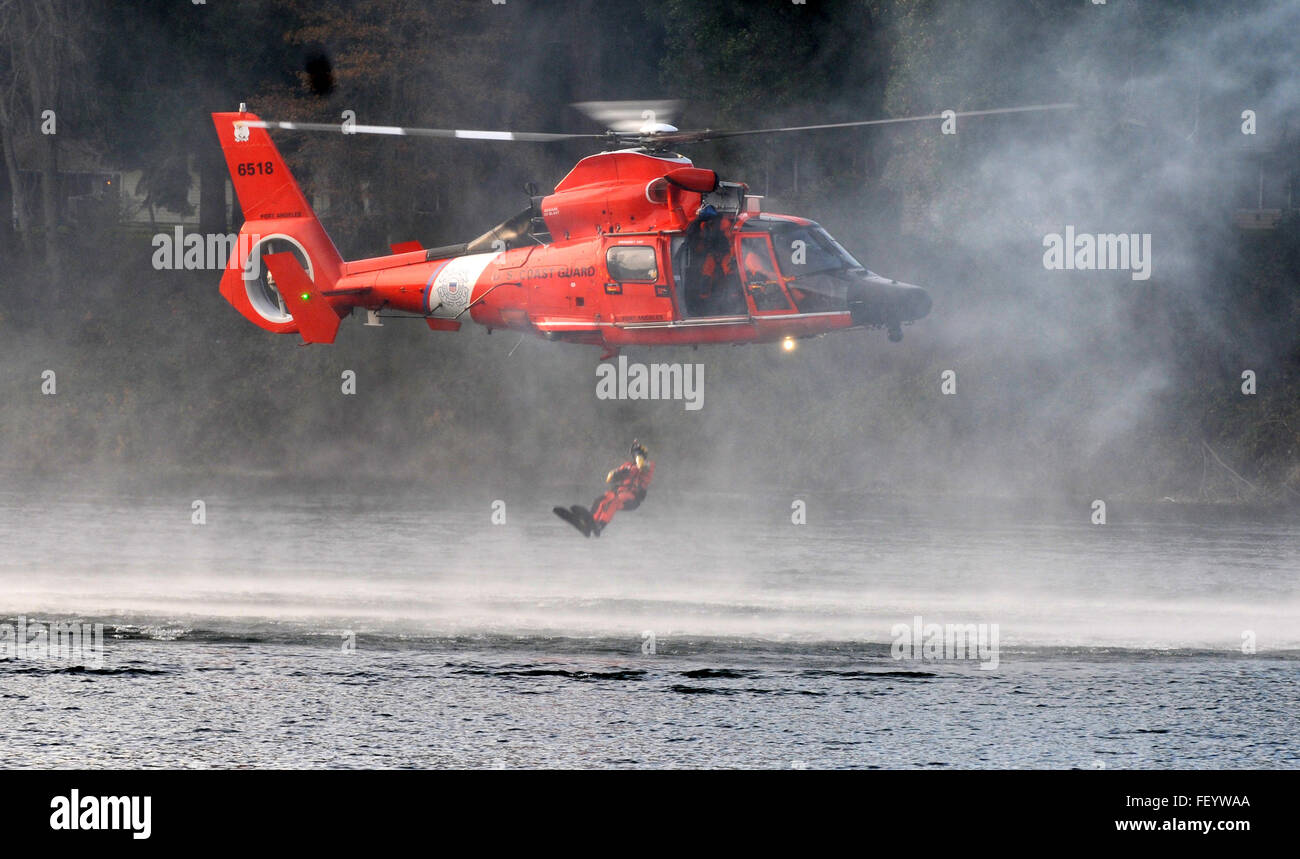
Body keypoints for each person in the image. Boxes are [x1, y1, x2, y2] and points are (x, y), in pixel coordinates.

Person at [553, 441, 655, 537]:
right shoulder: (627, 465)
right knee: (600, 500)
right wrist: (617, 474)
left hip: (632, 498)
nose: (637, 456)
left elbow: (641, 465)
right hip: (618, 493)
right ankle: (589, 524)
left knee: (613, 502)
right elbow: (609, 478)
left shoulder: (649, 465)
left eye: (638, 454)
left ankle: (599, 526)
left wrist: (637, 453)